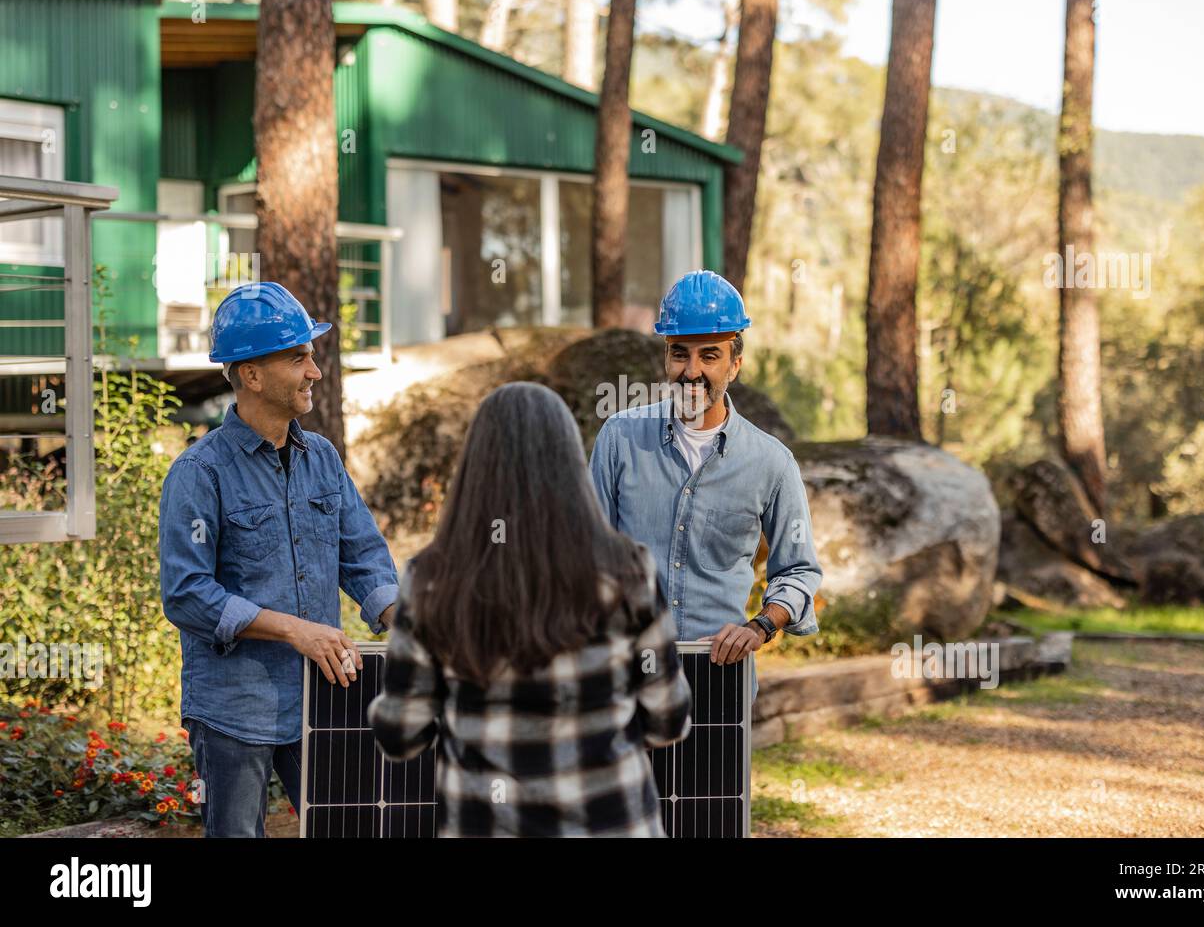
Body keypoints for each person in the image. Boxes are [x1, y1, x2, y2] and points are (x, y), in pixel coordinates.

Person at [368, 381, 692, 837]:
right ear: (570, 464)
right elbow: (668, 720)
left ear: (476, 468)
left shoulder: (431, 581)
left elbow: (400, 733)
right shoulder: (629, 573)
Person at [159, 281, 399, 837]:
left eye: (311, 356)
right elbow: (188, 594)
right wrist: (296, 631)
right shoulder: (199, 474)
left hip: (321, 699)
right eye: (299, 358)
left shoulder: (322, 459)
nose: (315, 372)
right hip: (232, 712)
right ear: (252, 374)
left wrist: (402, 621)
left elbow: (361, 554)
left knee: (351, 829)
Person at [588, 270, 823, 684]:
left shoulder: (772, 462)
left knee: (713, 754)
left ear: (735, 364)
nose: (691, 371)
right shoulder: (619, 439)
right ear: (666, 356)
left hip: (720, 678)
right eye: (680, 353)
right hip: (628, 677)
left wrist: (760, 627)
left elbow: (799, 571)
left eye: (709, 355)